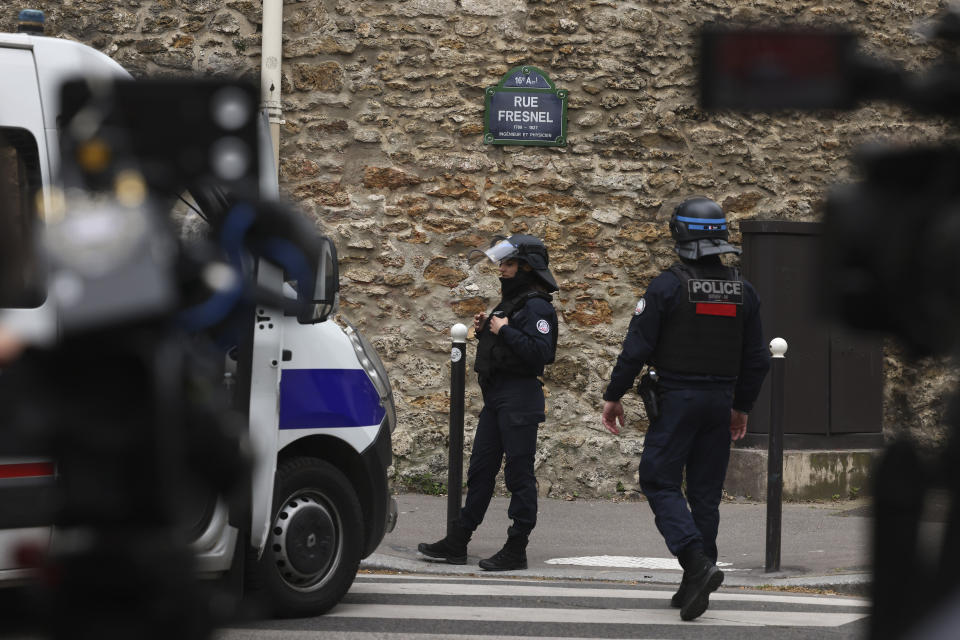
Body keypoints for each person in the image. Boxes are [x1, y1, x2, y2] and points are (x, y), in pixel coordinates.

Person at [601, 197, 770, 621]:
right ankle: (695, 581)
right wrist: (742, 406)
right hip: (720, 402)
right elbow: (757, 359)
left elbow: (636, 347)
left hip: (677, 399)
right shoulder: (743, 290)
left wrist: (614, 394)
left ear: (681, 235)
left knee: (658, 481)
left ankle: (696, 563)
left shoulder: (668, 286)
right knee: (705, 494)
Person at [419, 234, 559, 571]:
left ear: (527, 267)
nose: (502, 270)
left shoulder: (538, 305)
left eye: (510, 264)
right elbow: (507, 342)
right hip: (498, 397)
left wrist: (504, 330)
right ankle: (458, 540)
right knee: (480, 471)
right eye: (503, 263)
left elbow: (543, 353)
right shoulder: (513, 303)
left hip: (519, 398)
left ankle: (516, 547)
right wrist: (488, 328)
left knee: (518, 475)